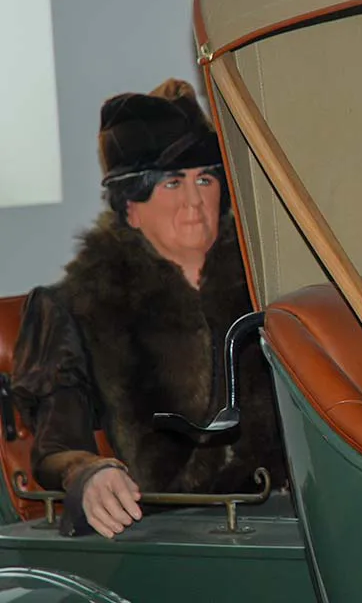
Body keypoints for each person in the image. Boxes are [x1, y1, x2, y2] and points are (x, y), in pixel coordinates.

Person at [12, 79, 286, 538]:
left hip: (287, 522)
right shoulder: (79, 305)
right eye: (172, 183)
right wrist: (90, 473)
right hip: (162, 536)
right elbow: (57, 448)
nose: (195, 202)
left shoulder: (270, 282)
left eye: (206, 178)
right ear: (130, 206)